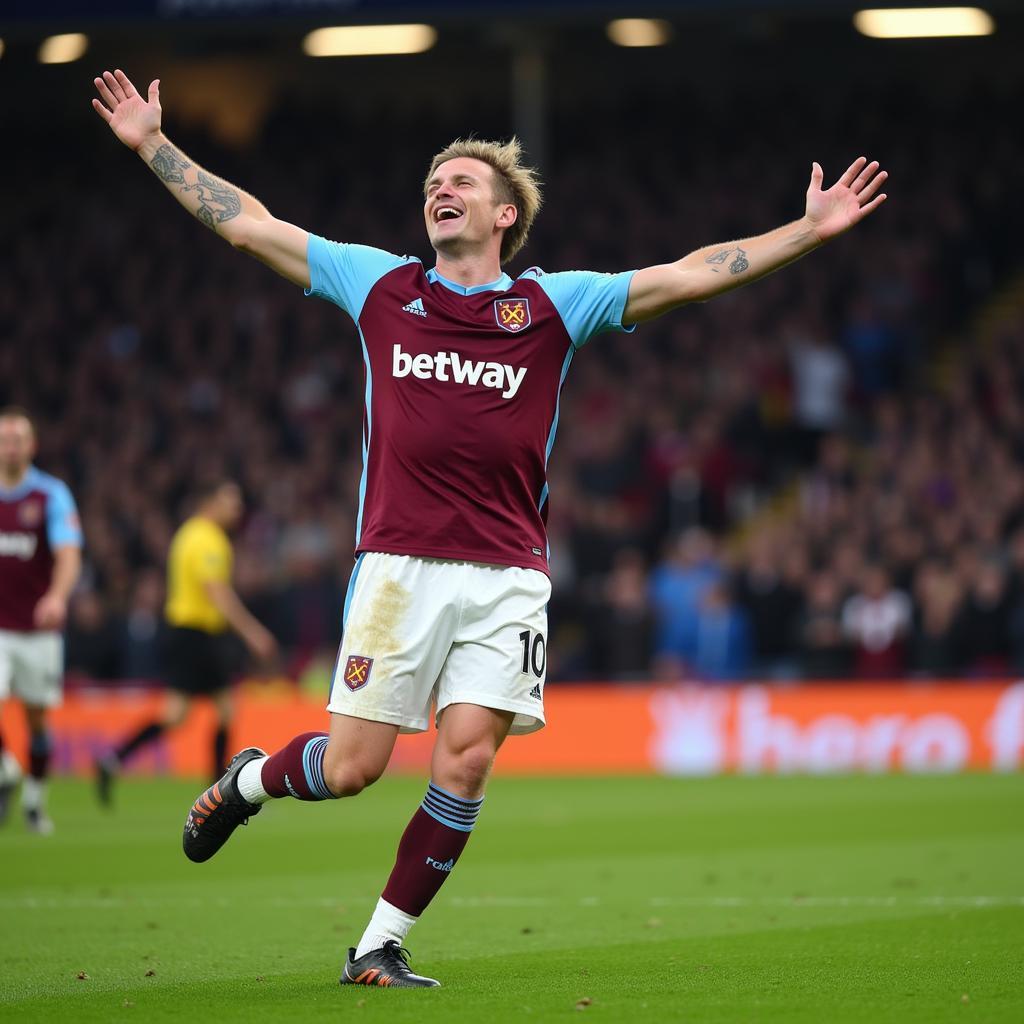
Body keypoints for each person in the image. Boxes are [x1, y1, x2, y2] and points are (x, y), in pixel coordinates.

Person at [92, 67, 888, 988]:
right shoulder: (380, 286)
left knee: (465, 760)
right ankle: (246, 782)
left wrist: (809, 230)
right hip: (398, 569)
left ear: (506, 213)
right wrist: (153, 144)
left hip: (508, 576)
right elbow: (249, 225)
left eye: (463, 180)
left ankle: (377, 945)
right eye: (434, 181)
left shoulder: (555, 305)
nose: (441, 188)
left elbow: (688, 275)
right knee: (352, 770)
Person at [96, 480, 277, 801]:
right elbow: (216, 592)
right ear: (211, 502)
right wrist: (253, 632)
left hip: (186, 633)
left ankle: (114, 760)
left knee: (185, 714)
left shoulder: (188, 534)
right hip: (196, 635)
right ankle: (219, 793)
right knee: (217, 711)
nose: (237, 509)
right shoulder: (207, 539)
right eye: (230, 502)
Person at [0, 408, 83, 834]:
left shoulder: (50, 495)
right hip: (0, 629)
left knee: (36, 719)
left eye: (18, 439)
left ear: (31, 446)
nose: (10, 446)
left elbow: (68, 552)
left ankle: (33, 800)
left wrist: (56, 595)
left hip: (37, 629)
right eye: (5, 439)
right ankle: (6, 770)